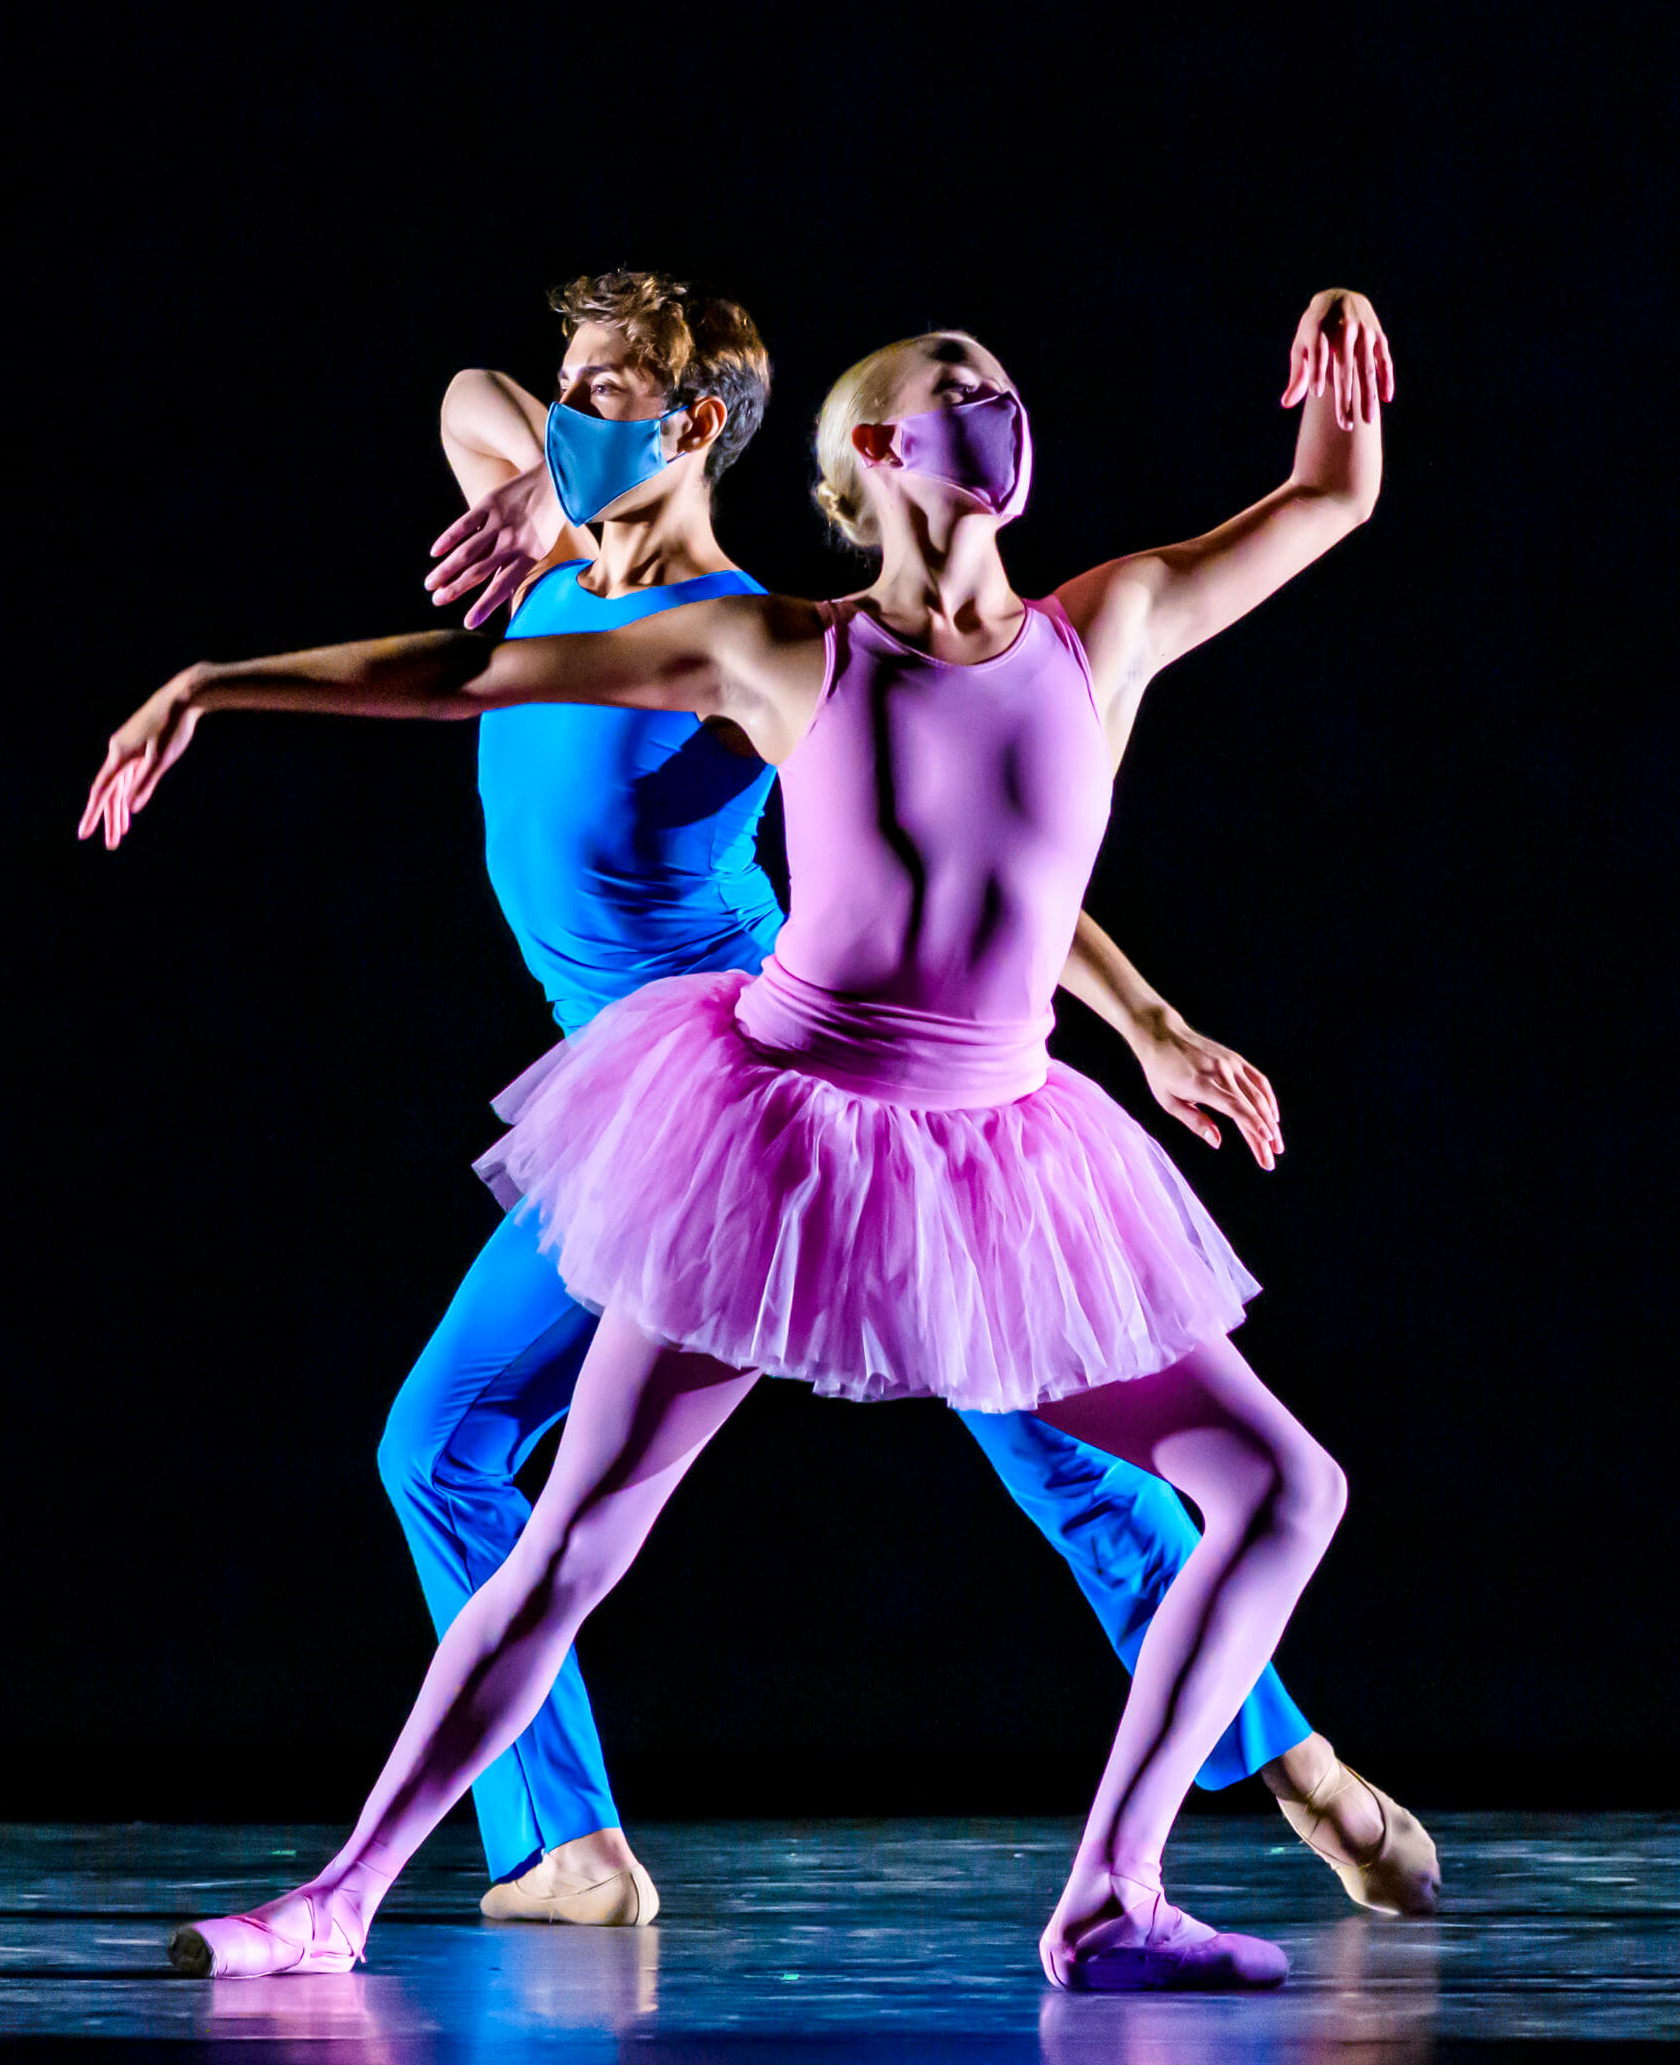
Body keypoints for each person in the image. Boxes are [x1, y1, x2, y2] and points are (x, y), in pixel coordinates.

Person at [85, 286, 1415, 1992]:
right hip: (772, 1133)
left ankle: (1113, 1892)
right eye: (961, 386)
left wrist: (1343, 349)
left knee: (1280, 1486)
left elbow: (1329, 499)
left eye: (1008, 380)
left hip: (998, 1145)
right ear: (878, 449)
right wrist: (217, 681)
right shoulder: (782, 647)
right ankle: (341, 1895)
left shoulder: (1115, 623)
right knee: (568, 1540)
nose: (1000, 401)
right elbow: (472, 666)